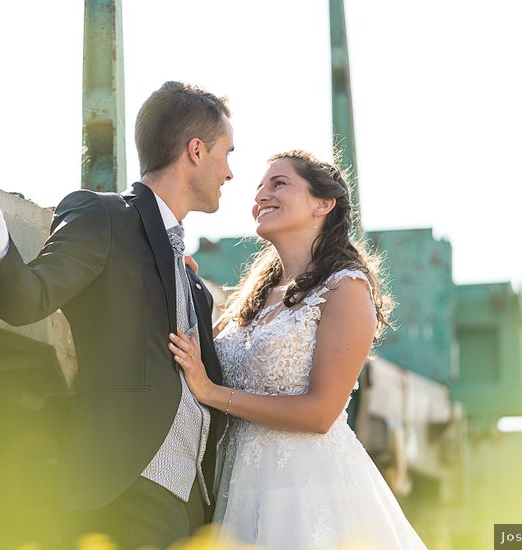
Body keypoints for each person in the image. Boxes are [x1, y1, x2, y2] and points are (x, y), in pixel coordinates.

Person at [0, 81, 234, 549]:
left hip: (190, 507)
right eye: (227, 153)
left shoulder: (192, 279)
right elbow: (27, 300)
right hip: (123, 488)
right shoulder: (102, 217)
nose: (231, 171)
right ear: (196, 151)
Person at [168, 150, 428, 549]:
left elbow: (321, 413)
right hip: (239, 487)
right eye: (259, 188)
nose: (261, 196)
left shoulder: (345, 289)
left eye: (279, 184)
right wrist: (181, 277)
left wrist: (212, 393)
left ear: (323, 204)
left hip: (305, 491)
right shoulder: (253, 299)